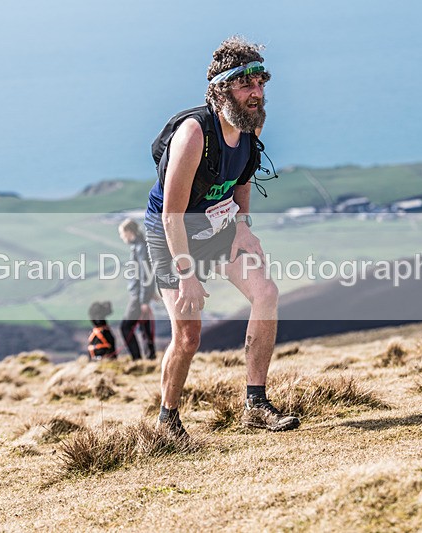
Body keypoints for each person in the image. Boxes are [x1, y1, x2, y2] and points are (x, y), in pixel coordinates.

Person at [144, 36, 299, 437]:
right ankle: (167, 421)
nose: (256, 93)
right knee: (188, 336)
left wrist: (242, 227)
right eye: (246, 85)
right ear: (220, 90)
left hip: (219, 226)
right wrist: (186, 274)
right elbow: (171, 215)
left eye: (260, 83)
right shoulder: (194, 136)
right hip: (173, 234)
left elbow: (243, 178)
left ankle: (255, 404)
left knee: (266, 293)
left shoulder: (251, 122)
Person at [118, 218, 156, 360]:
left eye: (122, 233)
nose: (122, 237)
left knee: (125, 327)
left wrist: (144, 300)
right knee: (144, 326)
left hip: (138, 295)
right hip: (141, 294)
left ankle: (137, 358)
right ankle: (150, 356)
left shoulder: (140, 247)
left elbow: (145, 273)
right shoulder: (140, 246)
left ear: (129, 232)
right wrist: (150, 293)